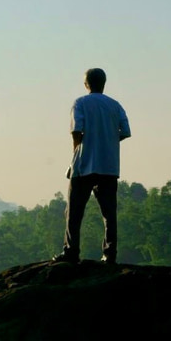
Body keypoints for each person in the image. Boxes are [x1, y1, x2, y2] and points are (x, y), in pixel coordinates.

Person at [52, 68, 131, 264]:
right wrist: (108, 141)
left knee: (74, 211)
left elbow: (77, 131)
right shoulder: (115, 105)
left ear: (86, 84)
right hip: (109, 165)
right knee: (108, 213)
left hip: (84, 164)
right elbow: (126, 131)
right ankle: (109, 254)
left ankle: (71, 253)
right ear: (104, 83)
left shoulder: (80, 103)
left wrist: (76, 155)